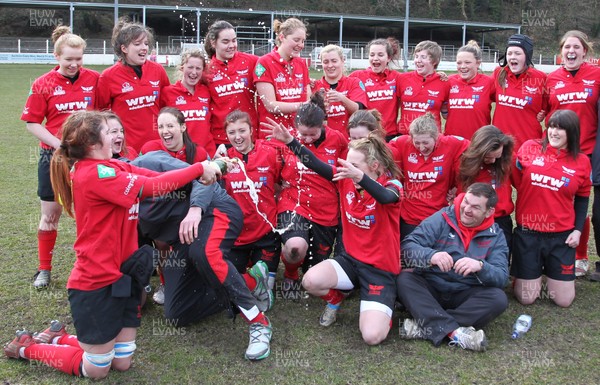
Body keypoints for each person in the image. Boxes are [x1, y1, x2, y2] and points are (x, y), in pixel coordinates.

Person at [3, 111, 222, 378]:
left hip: (125, 275)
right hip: (97, 280)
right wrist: (200, 169)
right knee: (96, 370)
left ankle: (59, 338)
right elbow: (152, 186)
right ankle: (28, 348)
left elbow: (151, 173)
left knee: (121, 363)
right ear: (93, 144)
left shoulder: (112, 165)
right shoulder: (93, 173)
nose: (117, 136)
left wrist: (210, 165)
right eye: (110, 132)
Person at [264, 111, 402, 345]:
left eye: (354, 164)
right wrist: (290, 142)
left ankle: (381, 307)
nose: (346, 167)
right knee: (310, 280)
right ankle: (336, 299)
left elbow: (387, 198)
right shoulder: (346, 179)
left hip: (379, 269)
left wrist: (360, 177)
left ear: (374, 165)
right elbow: (315, 164)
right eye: (346, 162)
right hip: (351, 261)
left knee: (371, 337)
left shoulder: (390, 185)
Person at [131, 150, 274, 361]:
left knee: (205, 253)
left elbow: (203, 176)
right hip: (184, 239)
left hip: (213, 209)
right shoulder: (116, 203)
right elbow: (145, 251)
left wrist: (195, 208)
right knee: (177, 313)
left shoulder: (147, 162)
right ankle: (251, 282)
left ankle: (258, 322)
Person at [21, 25, 99, 289]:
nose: (74, 64)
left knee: (89, 216)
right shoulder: (42, 84)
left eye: (79, 59)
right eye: (69, 59)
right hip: (53, 160)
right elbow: (32, 122)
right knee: (50, 216)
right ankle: (44, 269)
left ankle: (88, 265)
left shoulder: (94, 79)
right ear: (57, 57)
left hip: (88, 159)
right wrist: (59, 145)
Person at [397, 183, 509, 352]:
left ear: (489, 212)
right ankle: (455, 332)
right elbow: (407, 248)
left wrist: (480, 266)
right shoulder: (442, 217)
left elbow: (501, 277)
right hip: (432, 287)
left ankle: (427, 326)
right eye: (466, 202)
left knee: (498, 298)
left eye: (476, 207)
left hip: (465, 292)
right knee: (404, 280)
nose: (467, 209)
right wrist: (431, 256)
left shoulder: (496, 235)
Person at [512, 110, 591, 307]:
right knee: (527, 298)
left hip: (560, 237)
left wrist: (577, 230)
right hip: (528, 234)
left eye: (560, 128)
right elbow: (511, 177)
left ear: (572, 132)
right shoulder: (530, 148)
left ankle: (548, 271)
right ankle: (532, 272)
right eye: (552, 126)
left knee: (563, 301)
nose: (554, 132)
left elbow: (582, 199)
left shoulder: (582, 162)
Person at [272, 96, 348, 292]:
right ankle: (290, 274)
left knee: (313, 270)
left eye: (312, 135)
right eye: (302, 134)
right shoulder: (285, 138)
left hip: (326, 210)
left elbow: (341, 174)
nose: (305, 139)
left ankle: (304, 269)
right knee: (295, 247)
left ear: (323, 124)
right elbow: (268, 164)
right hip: (294, 203)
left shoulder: (338, 139)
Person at [546, 30, 600, 276]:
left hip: (588, 152)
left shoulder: (597, 75)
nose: (571, 51)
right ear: (561, 51)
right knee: (560, 202)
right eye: (567, 47)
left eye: (576, 47)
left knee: (583, 204)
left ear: (585, 51)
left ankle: (581, 255)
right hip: (559, 151)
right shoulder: (552, 78)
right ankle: (555, 251)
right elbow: (546, 111)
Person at [218, 110, 285, 290]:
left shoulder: (270, 154)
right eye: (232, 132)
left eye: (242, 131)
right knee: (233, 288)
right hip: (237, 237)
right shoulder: (222, 161)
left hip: (265, 234)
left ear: (251, 131)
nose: (237, 137)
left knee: (264, 289)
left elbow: (281, 181)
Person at [388, 113, 468, 240]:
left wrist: (457, 186)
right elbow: (380, 150)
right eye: (417, 142)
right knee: (411, 256)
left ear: (436, 137)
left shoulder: (450, 143)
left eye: (426, 142)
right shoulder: (402, 143)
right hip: (410, 219)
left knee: (438, 257)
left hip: (439, 218)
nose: (421, 147)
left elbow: (478, 149)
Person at [97, 17, 170, 152]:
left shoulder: (158, 70)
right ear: (124, 48)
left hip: (156, 146)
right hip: (126, 149)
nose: (144, 48)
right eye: (137, 44)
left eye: (146, 44)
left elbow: (167, 106)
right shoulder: (108, 76)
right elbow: (101, 115)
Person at [457, 125, 515, 253]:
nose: (493, 160)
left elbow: (524, 186)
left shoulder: (508, 160)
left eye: (497, 156)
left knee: (499, 263)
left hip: (499, 221)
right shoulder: (462, 161)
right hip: (470, 219)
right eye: (488, 157)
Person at [204, 20, 259, 146]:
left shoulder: (252, 62)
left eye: (234, 40)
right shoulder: (206, 71)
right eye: (225, 41)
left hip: (249, 136)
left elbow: (274, 70)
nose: (231, 45)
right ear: (213, 43)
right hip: (221, 139)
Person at [254, 17, 311, 136]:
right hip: (274, 136)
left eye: (303, 41)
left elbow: (308, 99)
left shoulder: (301, 64)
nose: (301, 45)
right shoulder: (264, 63)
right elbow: (271, 105)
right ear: (282, 37)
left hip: (300, 135)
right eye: (296, 40)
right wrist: (303, 106)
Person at [491, 34, 547, 150]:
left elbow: (551, 107)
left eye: (518, 53)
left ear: (527, 56)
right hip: (501, 146)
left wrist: (543, 113)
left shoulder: (540, 78)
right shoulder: (498, 74)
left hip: (528, 146)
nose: (512, 57)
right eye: (509, 53)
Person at [161, 48, 215, 157]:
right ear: (182, 68)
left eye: (198, 68)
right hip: (181, 156)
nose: (194, 72)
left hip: (207, 153)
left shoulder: (207, 91)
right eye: (190, 67)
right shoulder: (168, 92)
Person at [349, 38, 403, 141]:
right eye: (372, 55)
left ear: (388, 58)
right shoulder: (357, 76)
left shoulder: (397, 78)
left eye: (380, 55)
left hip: (388, 136)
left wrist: (438, 75)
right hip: (364, 136)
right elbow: (338, 83)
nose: (375, 58)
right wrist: (312, 82)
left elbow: (417, 82)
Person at [443, 40, 494, 140]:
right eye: (459, 63)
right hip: (453, 142)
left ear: (478, 63)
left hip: (479, 143)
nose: (463, 66)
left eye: (467, 62)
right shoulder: (448, 81)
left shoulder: (489, 82)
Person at [397, 40, 449, 135]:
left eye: (423, 57)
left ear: (435, 61)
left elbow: (446, 114)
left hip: (430, 138)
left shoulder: (444, 82)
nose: (418, 60)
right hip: (404, 135)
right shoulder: (402, 79)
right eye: (416, 56)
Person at [312, 44, 367, 134]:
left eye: (334, 61)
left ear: (342, 61)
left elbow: (359, 111)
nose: (330, 65)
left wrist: (342, 99)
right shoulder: (314, 86)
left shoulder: (354, 82)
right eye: (326, 62)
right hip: (324, 142)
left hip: (349, 141)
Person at [141, 107, 209, 164]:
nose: (165, 131)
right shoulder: (149, 149)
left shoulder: (199, 153)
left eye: (170, 126)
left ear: (183, 127)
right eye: (160, 127)